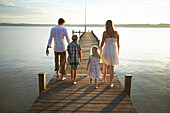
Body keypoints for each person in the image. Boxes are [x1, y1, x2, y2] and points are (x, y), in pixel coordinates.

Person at [99, 20, 119, 88]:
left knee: (104, 65)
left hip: (106, 50)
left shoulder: (105, 33)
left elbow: (102, 43)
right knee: (112, 68)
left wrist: (99, 50)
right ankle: (110, 83)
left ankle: (104, 79)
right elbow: (118, 44)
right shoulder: (116, 33)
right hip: (113, 50)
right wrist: (117, 53)